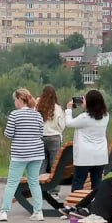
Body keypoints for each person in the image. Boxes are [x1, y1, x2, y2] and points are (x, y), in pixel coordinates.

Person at [0, 88, 45, 222]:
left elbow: (8, 134)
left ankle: (4, 212)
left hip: (20, 153)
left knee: (12, 183)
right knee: (34, 183)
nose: (14, 103)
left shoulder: (14, 115)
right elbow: (41, 133)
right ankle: (38, 211)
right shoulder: (37, 115)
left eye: (15, 100)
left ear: (19, 99)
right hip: (36, 153)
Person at [64, 89, 110, 196]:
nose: (83, 101)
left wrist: (68, 110)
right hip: (100, 155)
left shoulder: (85, 117)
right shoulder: (106, 116)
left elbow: (69, 123)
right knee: (97, 183)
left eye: (85, 99)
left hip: (85, 157)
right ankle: (94, 206)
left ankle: (74, 206)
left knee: (78, 182)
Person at [35, 84, 68, 212]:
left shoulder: (38, 106)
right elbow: (62, 125)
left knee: (42, 164)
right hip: (54, 138)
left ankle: (40, 188)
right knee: (55, 166)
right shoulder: (57, 108)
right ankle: (54, 190)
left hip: (40, 137)